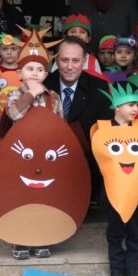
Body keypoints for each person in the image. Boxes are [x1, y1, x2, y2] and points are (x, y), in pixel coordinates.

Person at [4, 28, 62, 259]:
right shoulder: (14, 95)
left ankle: (42, 238)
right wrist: (31, 94)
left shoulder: (53, 97)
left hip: (45, 155)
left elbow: (59, 127)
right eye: (30, 69)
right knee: (20, 197)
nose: (35, 73)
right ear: (20, 73)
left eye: (39, 69)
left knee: (44, 197)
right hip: (21, 156)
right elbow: (14, 115)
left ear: (46, 74)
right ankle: (19, 240)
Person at [43, 37, 114, 209]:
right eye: (64, 60)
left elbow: (106, 133)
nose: (69, 66)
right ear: (56, 60)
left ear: (84, 60)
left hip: (87, 166)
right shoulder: (43, 85)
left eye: (75, 60)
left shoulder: (100, 87)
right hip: (47, 162)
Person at [94, 83, 138, 276]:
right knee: (115, 233)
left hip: (137, 191)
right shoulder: (102, 129)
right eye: (131, 105)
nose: (136, 109)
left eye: (137, 104)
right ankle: (116, 274)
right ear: (117, 107)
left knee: (135, 233)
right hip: (112, 191)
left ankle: (133, 273)